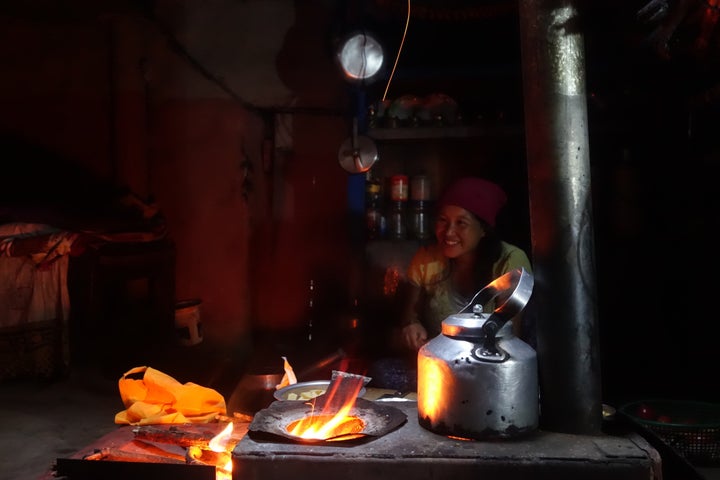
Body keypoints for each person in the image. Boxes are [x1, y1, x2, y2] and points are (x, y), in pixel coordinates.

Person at [398, 176, 533, 352]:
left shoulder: (510, 261)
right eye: (443, 220)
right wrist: (412, 326)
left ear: (483, 229)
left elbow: (509, 337)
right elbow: (408, 314)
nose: (449, 232)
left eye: (461, 223)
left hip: (489, 364)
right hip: (437, 361)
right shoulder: (427, 258)